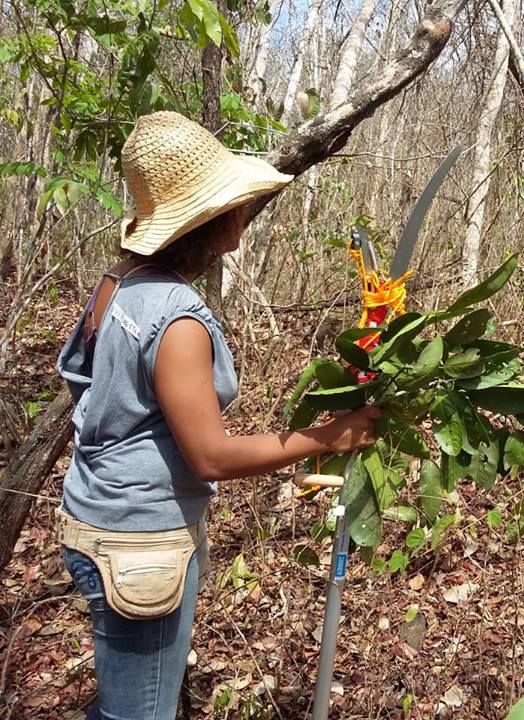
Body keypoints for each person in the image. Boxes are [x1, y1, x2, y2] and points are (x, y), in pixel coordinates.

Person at [56, 111, 381, 720]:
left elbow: (85, 385)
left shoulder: (119, 281)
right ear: (211, 221)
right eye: (233, 206)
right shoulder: (177, 318)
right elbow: (210, 454)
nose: (241, 217)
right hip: (140, 543)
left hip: (97, 519)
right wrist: (326, 436)